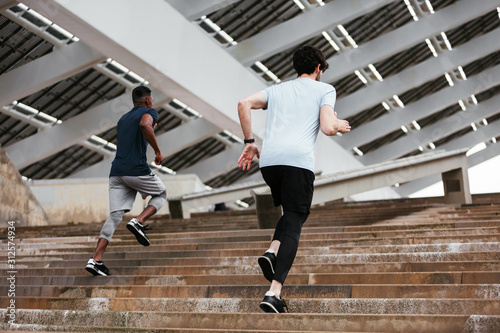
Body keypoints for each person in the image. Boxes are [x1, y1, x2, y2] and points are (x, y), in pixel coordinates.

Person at [237, 45, 351, 313]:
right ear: (318, 68)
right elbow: (326, 127)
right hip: (297, 163)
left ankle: (272, 251)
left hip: (270, 162)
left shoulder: (277, 90)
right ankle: (273, 292)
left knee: (291, 215)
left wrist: (250, 142)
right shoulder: (325, 90)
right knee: (296, 221)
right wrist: (338, 124)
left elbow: (243, 103)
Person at [85, 85, 167, 276]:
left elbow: (127, 140)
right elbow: (145, 125)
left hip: (117, 173)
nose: (152, 102)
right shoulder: (149, 112)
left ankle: (96, 259)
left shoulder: (122, 119)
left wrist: (150, 131)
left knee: (114, 215)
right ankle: (139, 221)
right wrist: (157, 151)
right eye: (151, 99)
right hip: (135, 169)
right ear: (147, 100)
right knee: (161, 193)